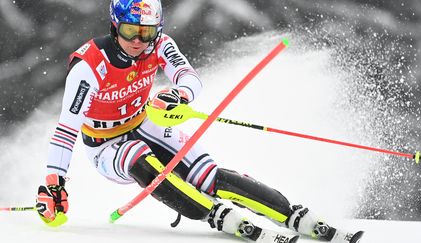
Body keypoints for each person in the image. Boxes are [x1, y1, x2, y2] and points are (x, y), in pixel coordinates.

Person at [35, 1, 363, 242]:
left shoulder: (159, 45)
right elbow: (67, 127)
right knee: (136, 155)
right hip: (105, 144)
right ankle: (213, 213)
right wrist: (54, 183)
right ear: (114, 26)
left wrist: (179, 95)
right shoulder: (90, 64)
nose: (138, 41)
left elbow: (189, 77)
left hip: (145, 121)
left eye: (146, 32)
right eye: (129, 31)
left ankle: (291, 213)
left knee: (207, 174)